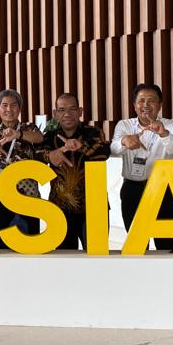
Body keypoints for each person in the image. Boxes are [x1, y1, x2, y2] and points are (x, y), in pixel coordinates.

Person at [111, 83, 173, 251]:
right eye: (141, 101)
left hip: (161, 190)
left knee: (165, 244)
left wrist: (164, 134)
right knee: (136, 243)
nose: (146, 105)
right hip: (132, 189)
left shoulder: (170, 126)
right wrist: (124, 141)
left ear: (160, 105)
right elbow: (114, 149)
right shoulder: (124, 126)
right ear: (134, 105)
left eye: (151, 101)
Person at [38, 93, 110, 250]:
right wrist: (50, 155)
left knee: (97, 257)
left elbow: (104, 153)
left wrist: (81, 146)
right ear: (55, 113)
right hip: (60, 210)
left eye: (72, 109)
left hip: (94, 207)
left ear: (80, 111)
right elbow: (35, 157)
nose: (67, 114)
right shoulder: (49, 137)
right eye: (62, 110)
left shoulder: (93, 132)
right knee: (64, 262)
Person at [0, 89, 44, 249]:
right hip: (0, 195)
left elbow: (39, 138)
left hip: (28, 195)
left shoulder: (29, 128)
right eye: (4, 105)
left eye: (13, 105)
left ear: (19, 109)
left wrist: (18, 134)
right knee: (2, 245)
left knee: (30, 244)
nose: (9, 109)